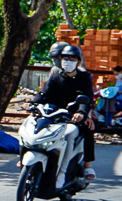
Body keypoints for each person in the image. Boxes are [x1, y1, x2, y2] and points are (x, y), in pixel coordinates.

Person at [33, 41, 96, 178]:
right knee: (33, 124)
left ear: (78, 62)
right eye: (64, 58)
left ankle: (84, 166)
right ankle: (29, 154)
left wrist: (83, 114)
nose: (67, 61)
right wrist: (32, 103)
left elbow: (87, 98)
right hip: (54, 111)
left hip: (73, 113)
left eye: (72, 59)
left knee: (85, 128)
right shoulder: (55, 73)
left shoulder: (84, 76)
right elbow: (44, 92)